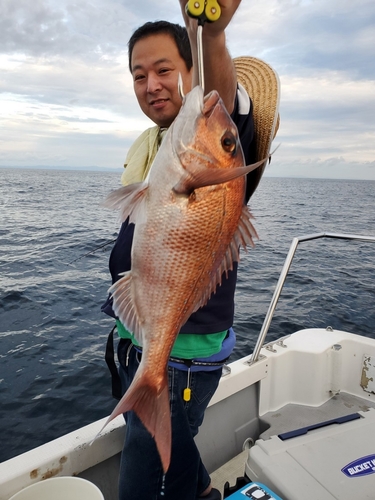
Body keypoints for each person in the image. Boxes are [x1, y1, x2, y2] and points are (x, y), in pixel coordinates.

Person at [102, 1, 263, 499]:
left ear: (190, 73)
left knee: (142, 485)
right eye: (139, 74)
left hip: (179, 360)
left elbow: (221, 99)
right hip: (145, 338)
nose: (151, 84)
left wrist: (210, 35)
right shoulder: (159, 145)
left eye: (164, 70)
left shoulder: (224, 155)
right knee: (178, 455)